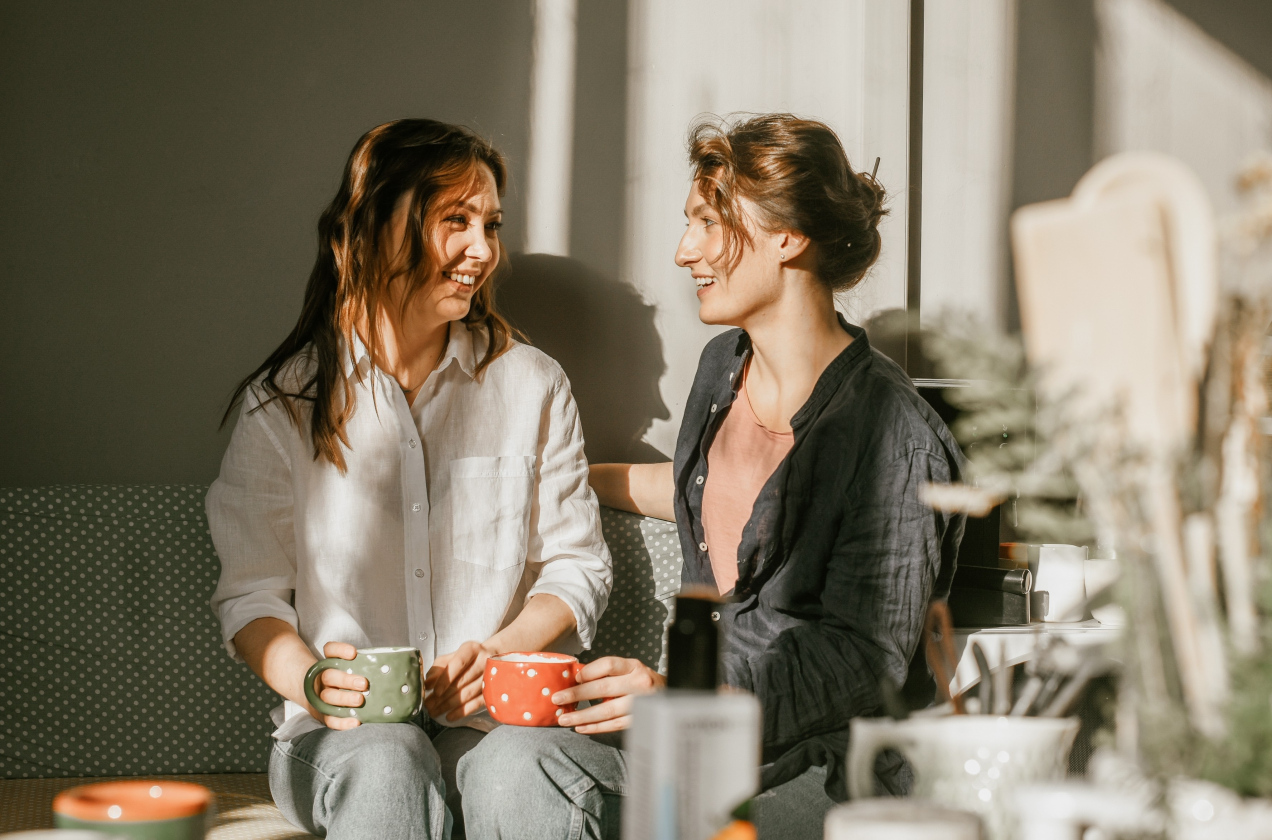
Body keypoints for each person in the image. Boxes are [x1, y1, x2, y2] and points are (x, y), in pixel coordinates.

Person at [521, 113, 966, 833]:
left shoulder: (895, 434)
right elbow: (703, 490)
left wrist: (680, 698)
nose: (682, 251)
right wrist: (550, 484)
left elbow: (862, 660)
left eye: (705, 222)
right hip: (697, 741)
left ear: (787, 236)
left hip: (817, 767)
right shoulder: (721, 367)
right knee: (513, 767)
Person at [207, 118, 614, 840]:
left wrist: (497, 651)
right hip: (340, 738)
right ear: (370, 226)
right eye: (455, 220)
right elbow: (250, 594)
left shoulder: (532, 384)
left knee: (520, 772)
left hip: (490, 724)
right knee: (388, 760)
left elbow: (576, 567)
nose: (483, 251)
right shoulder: (284, 405)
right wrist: (312, 681)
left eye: (491, 224)